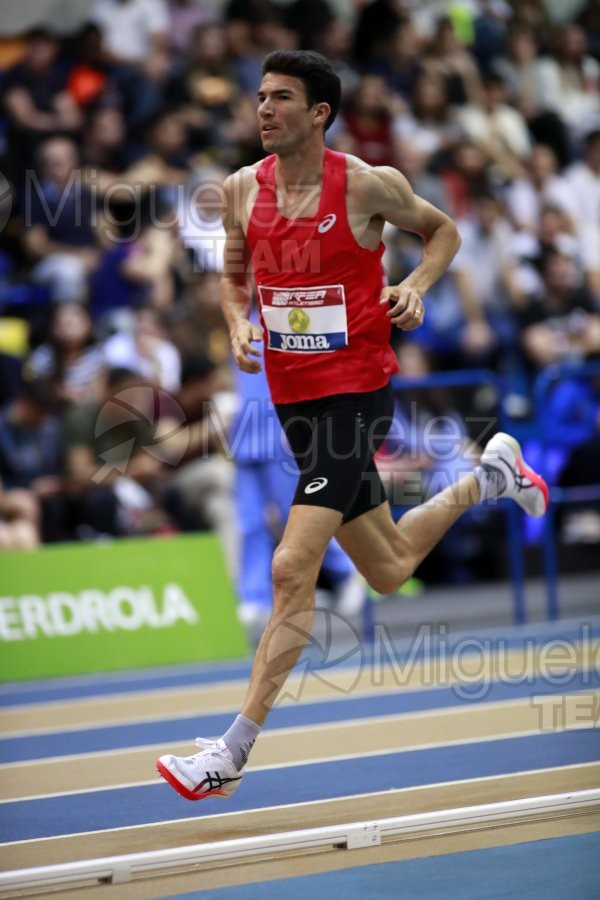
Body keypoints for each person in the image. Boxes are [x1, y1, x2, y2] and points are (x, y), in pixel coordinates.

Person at [156, 50, 549, 802]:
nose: (263, 109)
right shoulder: (243, 188)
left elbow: (442, 234)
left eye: (280, 99)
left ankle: (231, 751)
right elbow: (233, 277)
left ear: (319, 114)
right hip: (293, 400)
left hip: (356, 395)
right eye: (260, 96)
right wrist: (240, 327)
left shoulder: (366, 184)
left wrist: (413, 285)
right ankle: (494, 476)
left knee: (288, 566)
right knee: (390, 565)